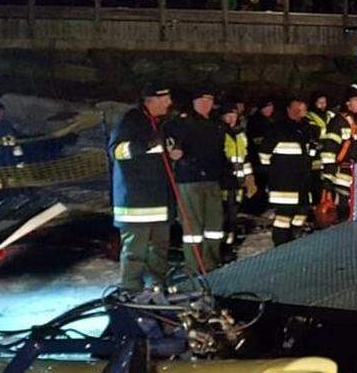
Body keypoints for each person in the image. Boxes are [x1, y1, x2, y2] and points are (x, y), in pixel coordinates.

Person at [109, 84, 177, 290]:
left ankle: (157, 286)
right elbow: (117, 152)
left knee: (160, 250)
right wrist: (144, 145)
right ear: (151, 100)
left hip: (159, 201)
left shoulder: (159, 122)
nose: (170, 103)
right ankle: (130, 289)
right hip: (136, 205)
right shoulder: (131, 121)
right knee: (135, 252)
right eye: (165, 99)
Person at [164, 87, 227, 273]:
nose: (206, 104)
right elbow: (170, 140)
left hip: (212, 179)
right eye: (202, 100)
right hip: (189, 179)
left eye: (209, 100)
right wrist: (174, 152)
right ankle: (194, 267)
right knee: (193, 227)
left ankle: (211, 264)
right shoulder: (182, 122)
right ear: (194, 102)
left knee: (214, 226)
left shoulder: (216, 124)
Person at [260, 96, 316, 245]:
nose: (299, 112)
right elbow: (264, 154)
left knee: (302, 211)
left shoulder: (308, 128)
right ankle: (281, 244)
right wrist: (272, 174)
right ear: (289, 110)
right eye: (296, 109)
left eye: (302, 109)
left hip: (302, 180)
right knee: (284, 216)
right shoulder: (278, 128)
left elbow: (311, 153)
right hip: (283, 181)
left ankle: (294, 238)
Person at [321, 84, 357, 215]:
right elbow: (328, 151)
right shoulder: (338, 122)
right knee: (343, 211)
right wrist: (328, 178)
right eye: (356, 100)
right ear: (348, 103)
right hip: (342, 176)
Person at [219, 105, 255, 261]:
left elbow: (244, 158)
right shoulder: (219, 133)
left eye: (233, 115)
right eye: (228, 115)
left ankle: (229, 246)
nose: (231, 118)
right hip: (223, 183)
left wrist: (249, 179)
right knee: (222, 217)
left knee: (232, 218)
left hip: (238, 183)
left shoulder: (240, 134)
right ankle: (220, 248)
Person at [245, 96, 276, 214]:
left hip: (268, 160)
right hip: (258, 160)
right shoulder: (256, 121)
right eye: (266, 107)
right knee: (259, 185)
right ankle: (256, 209)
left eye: (270, 107)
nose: (269, 110)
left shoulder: (270, 121)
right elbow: (257, 141)